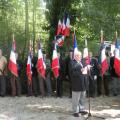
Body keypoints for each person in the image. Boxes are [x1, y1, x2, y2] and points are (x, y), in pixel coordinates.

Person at [69, 51, 87, 117]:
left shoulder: (82, 62)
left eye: (81, 55)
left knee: (82, 97)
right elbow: (72, 73)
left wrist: (87, 69)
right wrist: (81, 71)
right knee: (76, 98)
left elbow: (84, 71)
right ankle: (75, 111)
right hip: (76, 83)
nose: (81, 57)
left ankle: (81, 109)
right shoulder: (72, 63)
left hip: (83, 82)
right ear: (75, 56)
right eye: (79, 56)